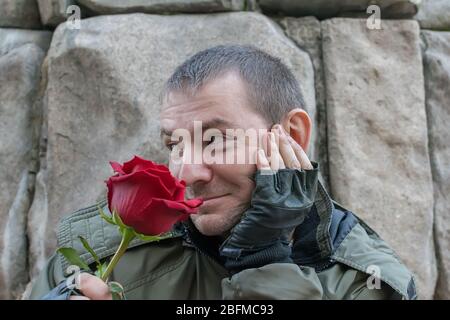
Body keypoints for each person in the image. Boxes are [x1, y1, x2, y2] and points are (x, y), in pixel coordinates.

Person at [29, 45, 417, 300]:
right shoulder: (96, 255)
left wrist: (263, 262)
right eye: (175, 145)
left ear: (292, 135)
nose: (187, 172)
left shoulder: (367, 284)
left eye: (215, 138)